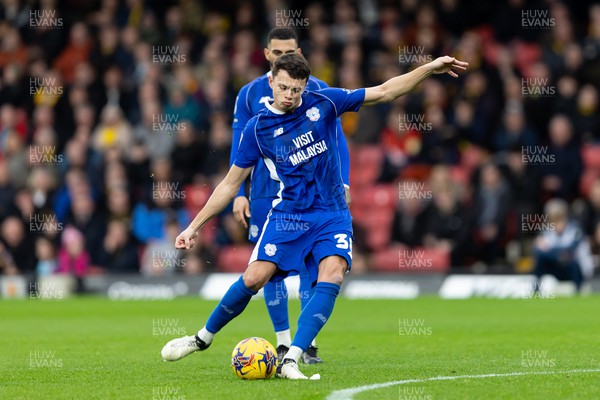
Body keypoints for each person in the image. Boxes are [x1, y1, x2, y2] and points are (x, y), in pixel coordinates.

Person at [161, 53, 467, 379]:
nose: (289, 95)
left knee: (332, 273)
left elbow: (386, 91)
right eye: (283, 87)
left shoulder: (324, 103)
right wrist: (193, 227)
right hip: (289, 215)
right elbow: (229, 184)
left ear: (305, 85)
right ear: (272, 83)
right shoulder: (258, 128)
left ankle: (292, 358)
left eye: (296, 89)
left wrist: (430, 68)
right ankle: (201, 339)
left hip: (331, 213)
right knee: (254, 278)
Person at [229, 27, 351, 364]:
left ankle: (305, 344)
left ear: (298, 51)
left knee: (314, 265)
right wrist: (239, 192)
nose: (283, 57)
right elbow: (239, 145)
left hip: (309, 190)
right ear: (266, 54)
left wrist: (346, 181)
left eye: (289, 52)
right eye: (276, 52)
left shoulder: (319, 91)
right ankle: (283, 342)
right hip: (265, 190)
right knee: (270, 266)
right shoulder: (249, 94)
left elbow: (337, 140)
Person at [533, 199, 594, 293]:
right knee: (541, 261)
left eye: (559, 219)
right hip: (557, 266)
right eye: (553, 220)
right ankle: (536, 291)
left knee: (572, 262)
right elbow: (538, 251)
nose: (556, 223)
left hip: (578, 269)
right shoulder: (546, 231)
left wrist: (550, 251)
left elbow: (570, 250)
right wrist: (559, 254)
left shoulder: (576, 229)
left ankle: (578, 291)